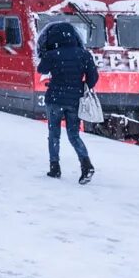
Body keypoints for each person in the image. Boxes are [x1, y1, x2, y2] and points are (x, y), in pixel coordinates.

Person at [36, 21, 98, 183]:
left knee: (54, 134)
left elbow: (41, 69)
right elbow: (93, 78)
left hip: (55, 98)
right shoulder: (84, 55)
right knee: (73, 135)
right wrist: (82, 85)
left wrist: (47, 54)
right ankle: (86, 164)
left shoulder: (52, 54)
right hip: (75, 100)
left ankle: (54, 168)